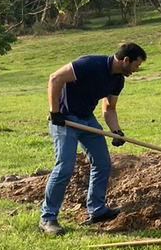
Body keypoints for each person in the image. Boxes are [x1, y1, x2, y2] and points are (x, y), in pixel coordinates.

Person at [39, 42, 147, 235]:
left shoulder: (118, 80)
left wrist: (116, 131)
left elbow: (109, 108)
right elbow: (55, 78)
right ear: (126, 60)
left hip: (87, 120)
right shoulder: (89, 64)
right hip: (65, 120)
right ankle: (47, 218)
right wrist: (55, 112)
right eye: (136, 65)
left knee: (103, 162)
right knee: (64, 167)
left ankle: (97, 211)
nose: (136, 70)